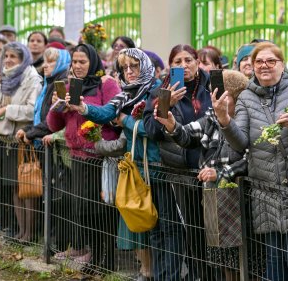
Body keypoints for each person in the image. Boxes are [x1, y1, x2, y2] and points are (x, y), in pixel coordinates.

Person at [215, 42, 288, 281]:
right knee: (274, 259)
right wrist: (225, 121)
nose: (264, 66)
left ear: (282, 64)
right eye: (259, 62)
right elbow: (240, 143)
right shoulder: (246, 96)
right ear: (252, 67)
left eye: (270, 61)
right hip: (265, 190)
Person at [154, 69, 249, 281]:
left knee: (241, 257)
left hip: (240, 197)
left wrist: (223, 173)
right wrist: (171, 125)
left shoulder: (246, 119)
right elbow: (188, 135)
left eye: (219, 94)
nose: (213, 100)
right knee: (219, 255)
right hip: (215, 197)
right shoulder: (211, 117)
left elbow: (250, 158)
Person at [78, 48, 161, 279]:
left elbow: (154, 130)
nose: (129, 72)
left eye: (134, 66)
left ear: (144, 66)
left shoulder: (156, 92)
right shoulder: (125, 94)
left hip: (155, 164)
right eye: (124, 68)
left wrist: (125, 119)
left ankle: (161, 272)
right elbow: (105, 113)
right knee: (136, 219)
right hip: (134, 165)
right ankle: (146, 271)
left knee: (158, 223)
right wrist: (83, 108)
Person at [46, 43, 120, 271]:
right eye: (74, 62)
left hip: (100, 156)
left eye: (82, 62)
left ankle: (107, 260)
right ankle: (94, 256)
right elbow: (53, 125)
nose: (77, 66)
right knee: (84, 210)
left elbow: (114, 113)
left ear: (93, 63)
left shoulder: (106, 84)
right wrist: (57, 107)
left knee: (102, 210)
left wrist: (82, 106)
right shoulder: (68, 87)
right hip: (77, 156)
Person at [143, 44, 213, 281]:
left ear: (197, 61)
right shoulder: (159, 91)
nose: (184, 66)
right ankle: (195, 275)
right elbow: (152, 130)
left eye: (188, 60)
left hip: (212, 167)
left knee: (213, 230)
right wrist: (167, 104)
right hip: (181, 172)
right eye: (177, 62)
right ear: (170, 66)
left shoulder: (211, 84)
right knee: (192, 230)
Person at [0, 42, 43, 242]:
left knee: (27, 189)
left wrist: (8, 110)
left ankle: (30, 234)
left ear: (23, 59)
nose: (8, 60)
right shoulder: (6, 78)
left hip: (23, 140)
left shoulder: (32, 78)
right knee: (14, 187)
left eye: (13, 57)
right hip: (6, 140)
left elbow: (33, 110)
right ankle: (21, 231)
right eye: (6, 57)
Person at [16, 47, 70, 145]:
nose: (44, 65)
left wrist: (31, 133)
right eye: (44, 61)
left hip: (56, 148)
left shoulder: (62, 84)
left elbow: (55, 119)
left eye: (50, 62)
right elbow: (43, 116)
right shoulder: (48, 83)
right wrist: (27, 129)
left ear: (61, 63)